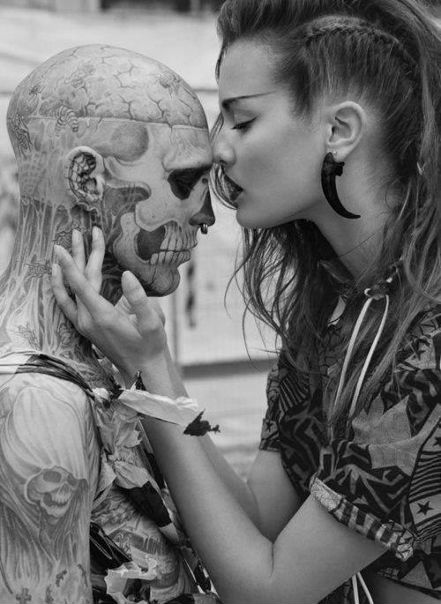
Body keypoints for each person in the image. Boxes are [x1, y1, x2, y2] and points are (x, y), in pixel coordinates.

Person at [51, 0, 441, 602]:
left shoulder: (429, 341)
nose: (219, 150)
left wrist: (151, 380)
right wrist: (153, 365)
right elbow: (260, 519)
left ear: (340, 131)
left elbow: (266, 590)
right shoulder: (336, 309)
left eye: (242, 120)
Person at [0, 44, 216, 604]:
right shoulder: (38, 400)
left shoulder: (99, 350)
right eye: (185, 180)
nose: (207, 215)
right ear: (87, 178)